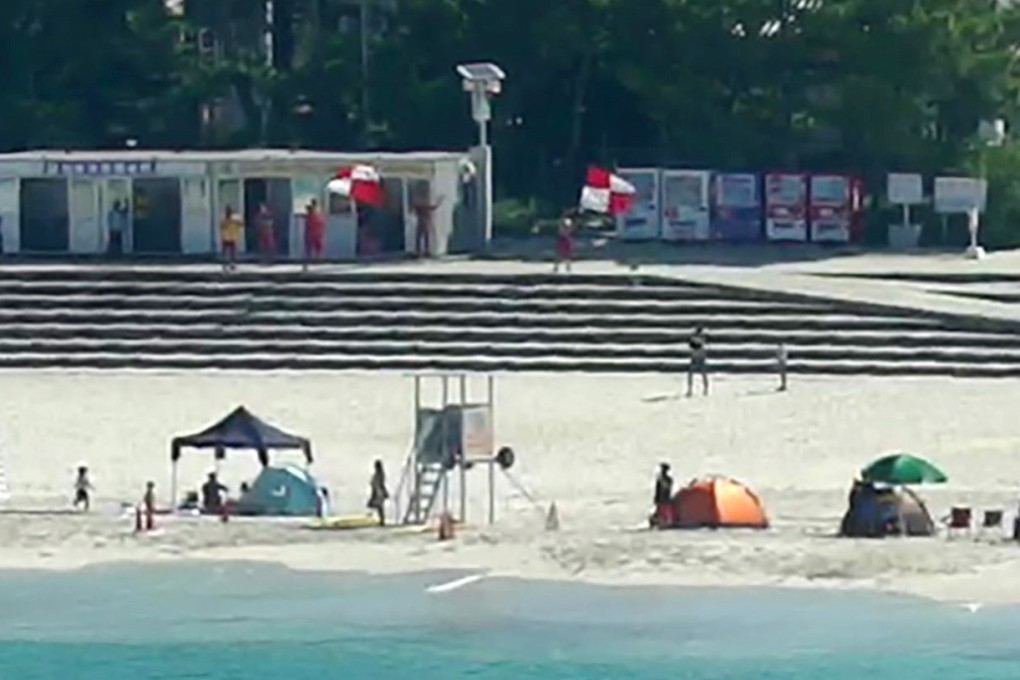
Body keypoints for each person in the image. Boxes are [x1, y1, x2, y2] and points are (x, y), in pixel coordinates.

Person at [412, 191, 444, 257]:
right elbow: (433, 207)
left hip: (422, 222)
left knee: (421, 237)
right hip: (424, 222)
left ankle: (421, 251)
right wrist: (440, 201)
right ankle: (423, 251)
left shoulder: (420, 206)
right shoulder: (422, 206)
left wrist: (439, 201)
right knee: (423, 237)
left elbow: (433, 207)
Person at [304, 199, 326, 269]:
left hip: (313, 232)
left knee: (311, 248)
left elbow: (308, 225)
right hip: (316, 232)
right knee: (316, 248)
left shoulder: (312, 215)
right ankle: (317, 260)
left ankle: (309, 262)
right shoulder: (317, 215)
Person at [687, 326, 709, 397]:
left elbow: (693, 344)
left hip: (697, 355)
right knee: (700, 373)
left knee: (701, 372)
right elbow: (692, 344)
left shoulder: (699, 338)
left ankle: (704, 388)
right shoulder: (699, 337)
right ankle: (691, 389)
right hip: (697, 355)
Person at [651, 463, 675, 528]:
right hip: (663, 499)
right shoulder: (664, 479)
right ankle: (659, 522)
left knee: (662, 512)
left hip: (664, 499)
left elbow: (666, 488)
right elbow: (658, 489)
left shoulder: (666, 479)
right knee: (661, 511)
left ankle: (662, 522)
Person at [220, 206, 243, 272]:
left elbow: (241, 224)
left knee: (231, 253)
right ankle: (226, 264)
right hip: (227, 237)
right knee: (227, 253)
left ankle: (231, 264)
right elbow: (222, 227)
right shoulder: (225, 219)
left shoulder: (234, 219)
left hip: (230, 237)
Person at [554, 210, 576, 274]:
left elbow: (567, 228)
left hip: (564, 238)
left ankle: (560, 266)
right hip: (565, 238)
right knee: (565, 254)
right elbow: (569, 229)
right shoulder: (566, 221)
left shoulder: (564, 221)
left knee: (562, 253)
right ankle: (566, 266)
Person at [367, 460, 389, 526]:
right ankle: (380, 519)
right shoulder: (379, 474)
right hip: (378, 491)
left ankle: (381, 519)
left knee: (378, 506)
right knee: (378, 506)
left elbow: (379, 484)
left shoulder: (379, 474)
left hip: (378, 492)